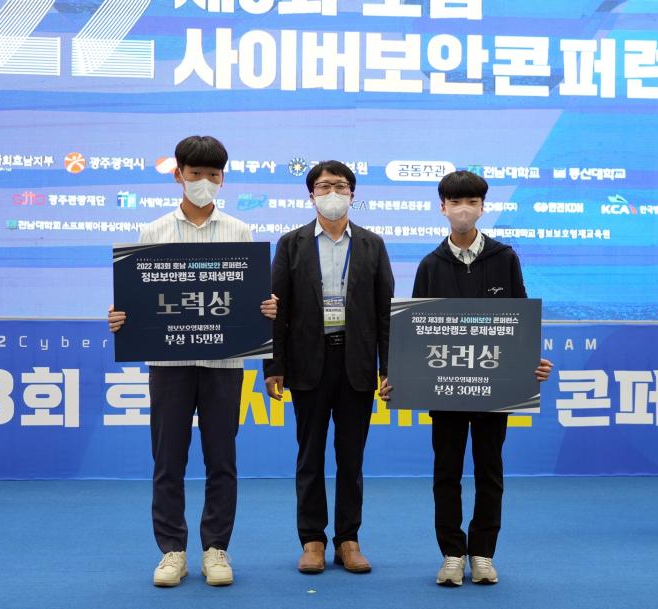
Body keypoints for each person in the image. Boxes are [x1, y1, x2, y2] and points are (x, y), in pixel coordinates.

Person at [108, 135, 277, 588]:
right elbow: (138, 298)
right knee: (168, 459)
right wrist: (122, 317)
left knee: (222, 459)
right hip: (169, 363)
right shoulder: (154, 232)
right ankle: (172, 551)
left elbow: (250, 298)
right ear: (178, 174)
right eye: (195, 173)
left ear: (223, 178)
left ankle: (216, 548)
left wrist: (266, 309)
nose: (204, 181)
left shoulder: (239, 231)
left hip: (225, 363)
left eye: (212, 174)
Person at [410, 170, 553, 587]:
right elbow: (415, 332)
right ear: (442, 208)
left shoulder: (504, 258)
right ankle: (452, 554)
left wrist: (532, 364)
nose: (464, 210)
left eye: (471, 202)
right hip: (446, 389)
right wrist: (401, 374)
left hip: (495, 388)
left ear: (483, 207)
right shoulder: (430, 265)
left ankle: (484, 553)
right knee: (446, 473)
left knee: (490, 471)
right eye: (455, 202)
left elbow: (520, 322)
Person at [263, 161, 394, 575]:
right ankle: (312, 540)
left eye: (340, 186)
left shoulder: (372, 244)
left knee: (351, 458)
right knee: (310, 456)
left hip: (356, 363)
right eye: (324, 186)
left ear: (353, 194)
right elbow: (276, 310)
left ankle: (348, 540)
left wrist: (389, 367)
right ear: (311, 195)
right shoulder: (291, 244)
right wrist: (273, 365)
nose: (332, 193)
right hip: (308, 363)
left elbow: (385, 313)